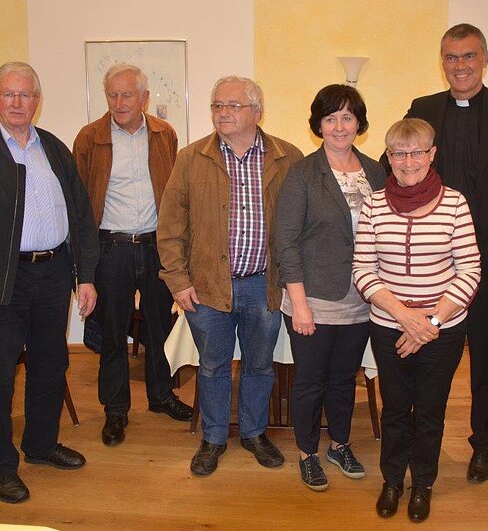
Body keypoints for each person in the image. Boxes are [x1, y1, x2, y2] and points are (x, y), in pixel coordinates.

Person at [380, 24, 488, 483]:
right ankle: (412, 446)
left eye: (469, 56)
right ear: (441, 61)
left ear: (485, 58)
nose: (460, 65)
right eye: (451, 57)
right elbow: (393, 165)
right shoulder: (423, 108)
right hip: (431, 266)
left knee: (486, 359)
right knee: (419, 359)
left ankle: (484, 444)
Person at [157, 76, 303, 476]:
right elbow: (170, 226)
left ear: (257, 111)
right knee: (212, 366)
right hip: (207, 286)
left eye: (233, 105)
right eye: (217, 105)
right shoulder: (191, 158)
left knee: (260, 365)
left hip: (264, 284)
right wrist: (178, 280)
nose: (223, 113)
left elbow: (301, 224)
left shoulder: (287, 157)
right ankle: (214, 438)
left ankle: (254, 433)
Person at [354, 118, 481, 523]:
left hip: (442, 330)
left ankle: (423, 483)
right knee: (394, 408)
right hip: (389, 326)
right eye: (399, 153)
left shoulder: (455, 203)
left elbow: (470, 270)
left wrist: (431, 323)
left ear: (432, 154)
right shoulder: (373, 204)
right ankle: (392, 480)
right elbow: (363, 269)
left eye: (417, 152)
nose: (408, 162)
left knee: (429, 410)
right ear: (388, 157)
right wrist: (406, 317)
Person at [73, 63, 192, 448]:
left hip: (157, 245)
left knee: (160, 325)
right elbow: (79, 203)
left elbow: (173, 192)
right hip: (111, 248)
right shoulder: (90, 138)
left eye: (127, 94)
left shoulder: (163, 134)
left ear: (144, 97)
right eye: (113, 94)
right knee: (113, 332)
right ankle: (115, 410)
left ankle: (161, 396)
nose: (119, 102)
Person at [275, 84, 385, 491]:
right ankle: (307, 453)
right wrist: (300, 304)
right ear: (318, 125)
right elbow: (286, 241)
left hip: (362, 299)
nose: (340, 126)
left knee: (344, 379)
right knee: (310, 381)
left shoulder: (376, 171)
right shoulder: (303, 173)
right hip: (314, 298)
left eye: (347, 117)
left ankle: (339, 444)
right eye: (331, 118)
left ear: (359, 123)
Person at [0, 62, 99, 504]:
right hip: (7, 278)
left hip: (54, 271)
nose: (17, 102)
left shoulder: (53, 148)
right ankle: (2, 467)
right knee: (2, 374)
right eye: (8, 94)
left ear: (37, 101)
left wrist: (85, 276)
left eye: (25, 95)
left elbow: (80, 214)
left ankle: (40, 446)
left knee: (50, 363)